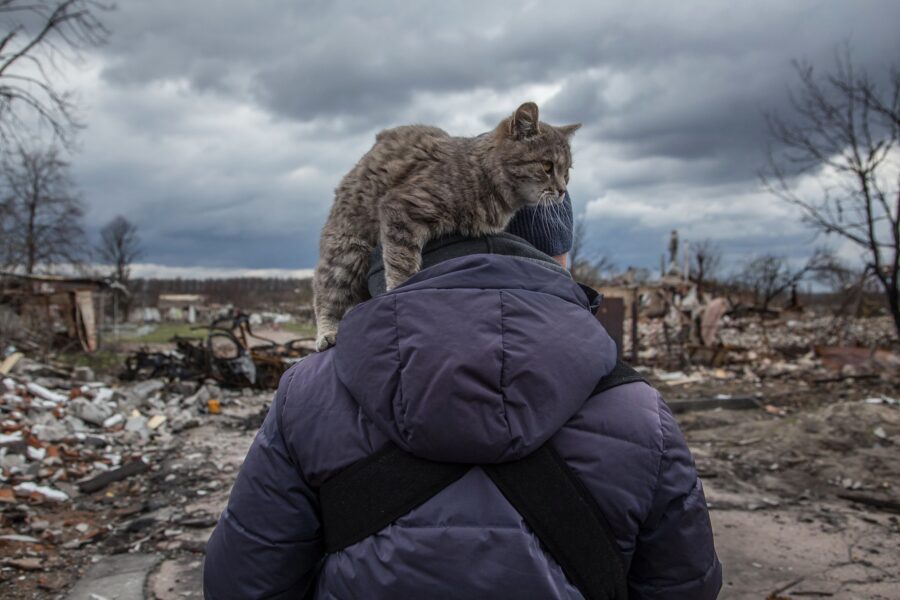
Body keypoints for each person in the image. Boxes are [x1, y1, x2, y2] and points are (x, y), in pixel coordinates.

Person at [204, 193, 722, 599]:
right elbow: (683, 585)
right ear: (560, 259)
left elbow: (244, 586)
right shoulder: (638, 413)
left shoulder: (309, 394)